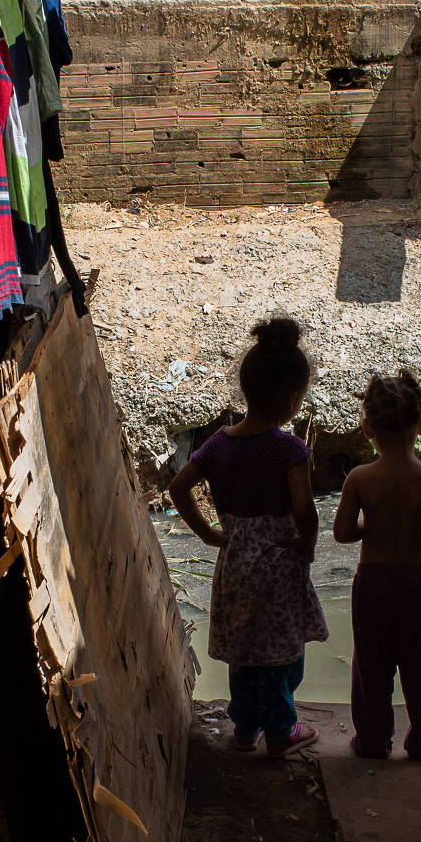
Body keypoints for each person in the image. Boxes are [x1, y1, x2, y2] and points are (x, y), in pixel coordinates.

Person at [169, 318, 328, 755]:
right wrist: (308, 546)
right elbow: (304, 510)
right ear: (293, 398)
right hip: (279, 564)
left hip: (235, 560)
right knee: (281, 650)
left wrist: (208, 533)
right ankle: (281, 731)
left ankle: (244, 729)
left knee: (245, 648)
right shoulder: (290, 451)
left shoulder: (220, 444)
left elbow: (178, 488)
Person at [332, 370, 421, 761]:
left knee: (371, 667)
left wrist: (373, 522)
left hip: (372, 583)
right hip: (416, 584)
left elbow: (342, 533)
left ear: (367, 428)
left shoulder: (359, 478)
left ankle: (373, 741)